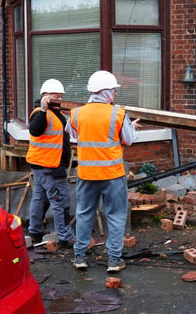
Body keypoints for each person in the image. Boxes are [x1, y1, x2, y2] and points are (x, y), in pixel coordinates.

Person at [66, 70, 140, 272]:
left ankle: (80, 257)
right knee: (115, 216)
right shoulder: (118, 113)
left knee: (84, 214)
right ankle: (114, 260)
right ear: (106, 91)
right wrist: (130, 127)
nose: (115, 94)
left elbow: (73, 133)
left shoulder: (77, 113)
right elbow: (129, 140)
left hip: (86, 175)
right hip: (112, 176)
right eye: (113, 91)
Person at [26, 79, 75, 248]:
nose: (59, 99)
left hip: (43, 165)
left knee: (39, 200)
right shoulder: (41, 112)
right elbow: (34, 130)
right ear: (46, 96)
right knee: (60, 201)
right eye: (56, 96)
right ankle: (65, 236)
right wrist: (44, 109)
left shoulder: (55, 113)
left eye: (61, 96)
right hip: (50, 167)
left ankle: (35, 232)